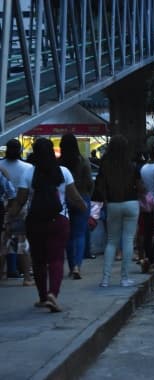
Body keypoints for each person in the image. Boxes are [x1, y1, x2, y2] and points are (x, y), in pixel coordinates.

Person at [11, 138, 87, 312]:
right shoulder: (63, 172)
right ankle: (53, 294)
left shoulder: (29, 173)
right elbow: (74, 197)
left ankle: (43, 297)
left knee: (38, 261)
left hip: (34, 221)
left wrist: (10, 217)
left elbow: (20, 200)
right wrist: (85, 211)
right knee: (56, 259)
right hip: (58, 221)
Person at [94, 135, 143, 288]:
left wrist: (106, 200)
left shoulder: (105, 164)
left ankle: (105, 279)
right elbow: (140, 186)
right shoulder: (131, 165)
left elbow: (100, 186)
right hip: (131, 203)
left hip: (113, 204)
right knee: (128, 240)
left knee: (111, 242)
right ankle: (124, 278)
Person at [59, 133, 94, 280]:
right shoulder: (83, 161)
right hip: (82, 198)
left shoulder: (59, 163)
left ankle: (71, 264)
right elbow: (90, 182)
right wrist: (88, 196)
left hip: (65, 200)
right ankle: (77, 267)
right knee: (79, 234)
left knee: (67, 235)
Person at [0, 139, 33, 286]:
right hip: (21, 207)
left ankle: (2, 275)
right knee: (21, 243)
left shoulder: (1, 166)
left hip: (4, 207)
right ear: (20, 150)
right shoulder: (28, 167)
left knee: (3, 243)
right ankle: (26, 277)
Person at [139, 135, 154, 273]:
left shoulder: (144, 168)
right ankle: (153, 259)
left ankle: (148, 258)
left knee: (147, 233)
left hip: (145, 205)